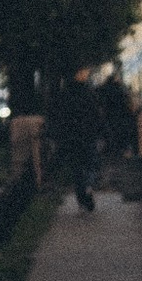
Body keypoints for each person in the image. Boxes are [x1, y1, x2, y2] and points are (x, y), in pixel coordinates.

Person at [44, 68, 103, 213]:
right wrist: (103, 134)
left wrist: (56, 135)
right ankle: (88, 186)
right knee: (91, 164)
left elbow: (56, 116)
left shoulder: (63, 95)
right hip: (88, 136)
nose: (86, 73)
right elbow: (97, 115)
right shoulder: (89, 94)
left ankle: (82, 200)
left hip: (70, 138)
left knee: (77, 169)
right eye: (83, 72)